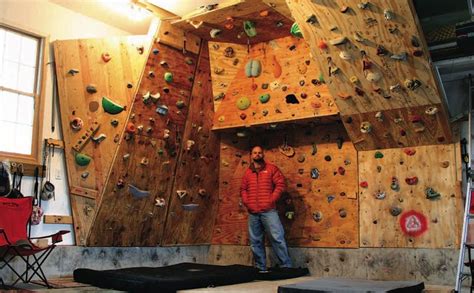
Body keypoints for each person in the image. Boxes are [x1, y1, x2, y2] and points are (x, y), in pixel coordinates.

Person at [240, 145, 292, 272]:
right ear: (251, 155)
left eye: (259, 152)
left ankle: (286, 266)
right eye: (254, 153)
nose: (257, 154)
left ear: (263, 154)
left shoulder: (272, 169)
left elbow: (280, 185)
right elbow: (243, 189)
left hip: (269, 211)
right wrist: (247, 202)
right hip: (253, 213)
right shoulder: (247, 172)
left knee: (277, 238)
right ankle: (260, 267)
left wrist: (271, 200)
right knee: (255, 241)